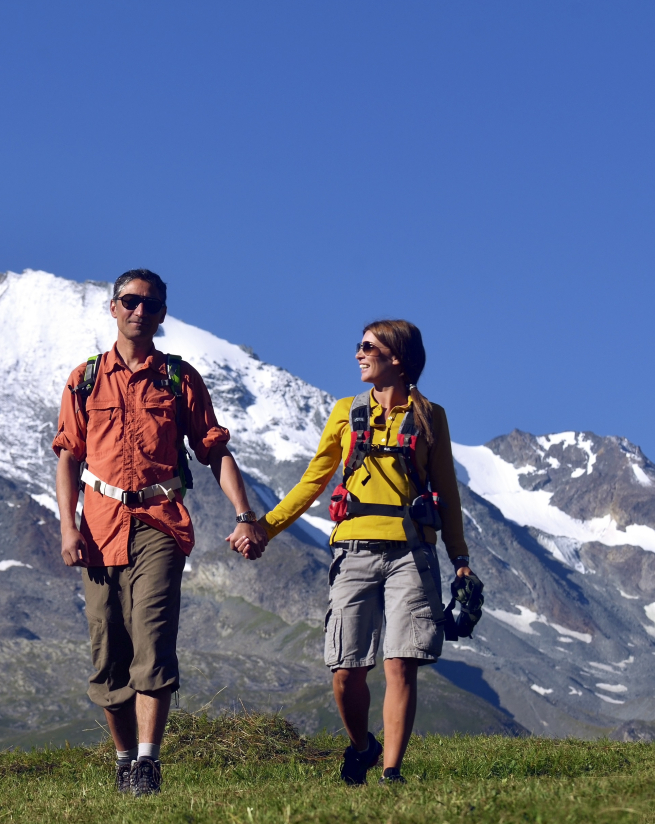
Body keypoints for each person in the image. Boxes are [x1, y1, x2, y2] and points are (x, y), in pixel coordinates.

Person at [228, 320, 474, 785]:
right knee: (346, 670)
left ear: (397, 357)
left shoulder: (430, 416)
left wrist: (459, 558)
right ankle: (363, 746)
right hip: (353, 552)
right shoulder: (345, 412)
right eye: (359, 347)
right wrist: (263, 528)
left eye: (368, 347)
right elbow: (314, 480)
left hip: (412, 552)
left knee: (401, 662)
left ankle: (391, 773)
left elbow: (448, 492)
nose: (358, 354)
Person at [53, 268, 266, 797]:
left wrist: (245, 514)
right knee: (108, 654)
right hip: (99, 527)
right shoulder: (83, 380)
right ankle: (124, 761)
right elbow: (68, 457)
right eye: (129, 302)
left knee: (153, 638)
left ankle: (148, 762)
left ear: (162, 314)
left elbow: (213, 450)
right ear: (113, 307)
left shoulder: (179, 378)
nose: (139, 312)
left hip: (160, 523)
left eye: (150, 305)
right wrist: (68, 526)